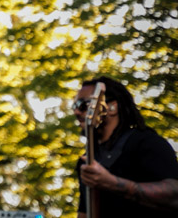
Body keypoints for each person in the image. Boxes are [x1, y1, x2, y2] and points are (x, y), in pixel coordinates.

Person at [72, 76, 178, 217]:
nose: (76, 112)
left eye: (82, 105)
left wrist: (112, 183)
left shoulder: (145, 142)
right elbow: (84, 213)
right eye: (74, 106)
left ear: (111, 107)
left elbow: (175, 195)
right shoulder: (87, 159)